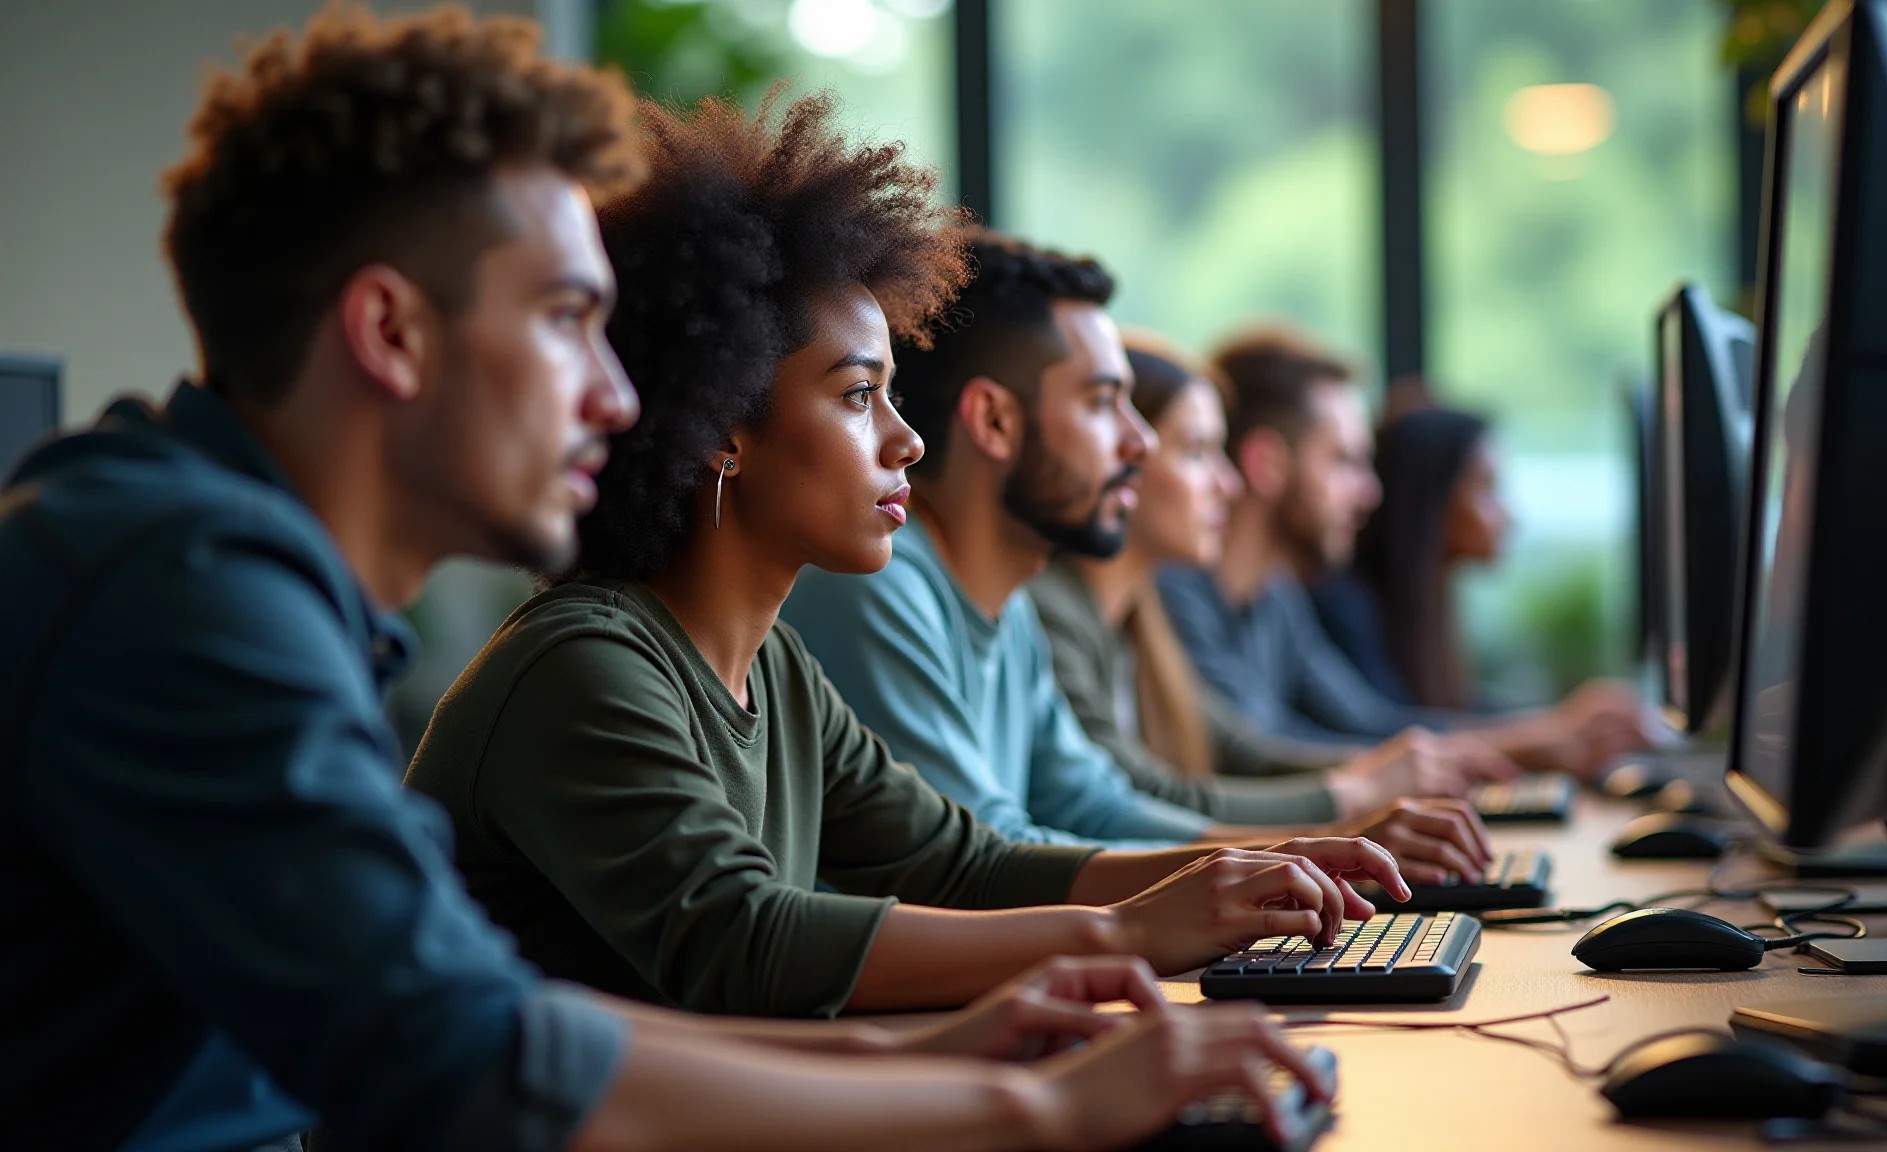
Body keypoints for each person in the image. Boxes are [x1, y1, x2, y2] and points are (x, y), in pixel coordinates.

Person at [0, 10, 1328, 1149]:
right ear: (391, 331)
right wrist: (1031, 1104)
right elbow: (475, 1056)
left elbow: (503, 1022)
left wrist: (934, 1061)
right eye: (569, 321)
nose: (623, 394)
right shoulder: (181, 588)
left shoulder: (211, 566)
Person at [405, 92, 1417, 1022]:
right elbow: (739, 939)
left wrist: (1237, 873)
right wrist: (1126, 934)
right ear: (723, 426)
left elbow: (959, 863)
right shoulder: (585, 667)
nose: (906, 440)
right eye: (856, 397)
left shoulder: (775, 672)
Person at [777, 230, 1495, 877]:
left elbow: (1094, 804)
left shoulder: (1009, 607)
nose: (1140, 443)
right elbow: (973, 858)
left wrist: (1292, 853)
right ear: (994, 421)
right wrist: (1269, 857)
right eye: (1100, 403)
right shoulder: (885, 582)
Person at [1028, 331, 1517, 838]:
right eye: (1198, 452)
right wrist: (1352, 799)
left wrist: (1386, 777)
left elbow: (1243, 749)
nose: (1228, 483)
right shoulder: (1080, 609)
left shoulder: (1146, 612)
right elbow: (1133, 796)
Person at [1156, 325, 1650, 779]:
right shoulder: (1176, 596)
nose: (1369, 493)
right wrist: (1540, 740)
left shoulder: (1274, 596)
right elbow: (1263, 756)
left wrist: (1552, 731)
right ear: (1267, 464)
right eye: (1343, 461)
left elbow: (1369, 723)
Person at [1316, 404, 1509, 710]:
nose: (1506, 514)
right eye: (1486, 488)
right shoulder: (1344, 607)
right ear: (1432, 496)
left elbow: (1459, 709)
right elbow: (1385, 728)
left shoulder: (1427, 605)